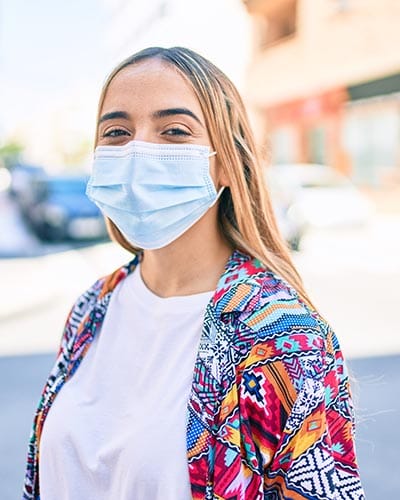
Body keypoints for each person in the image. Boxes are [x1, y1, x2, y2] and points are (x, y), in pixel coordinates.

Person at [22, 46, 364, 500]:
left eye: (175, 131)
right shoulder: (93, 307)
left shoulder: (284, 338)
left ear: (226, 163)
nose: (139, 150)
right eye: (117, 131)